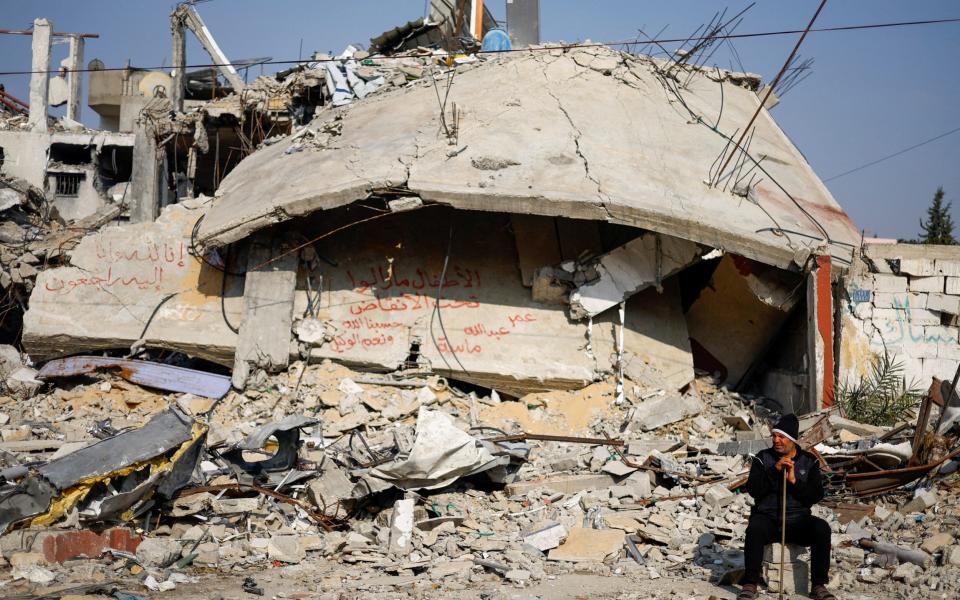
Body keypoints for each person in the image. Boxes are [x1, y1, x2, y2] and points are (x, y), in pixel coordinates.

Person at [738, 414, 836, 600]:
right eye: (774, 436)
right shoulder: (763, 458)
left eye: (781, 437)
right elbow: (753, 490)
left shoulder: (809, 461)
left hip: (798, 520)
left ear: (792, 440)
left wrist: (794, 481)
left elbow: (815, 496)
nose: (776, 440)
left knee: (821, 528)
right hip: (769, 519)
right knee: (755, 528)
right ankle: (750, 583)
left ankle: (818, 585)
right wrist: (774, 471)